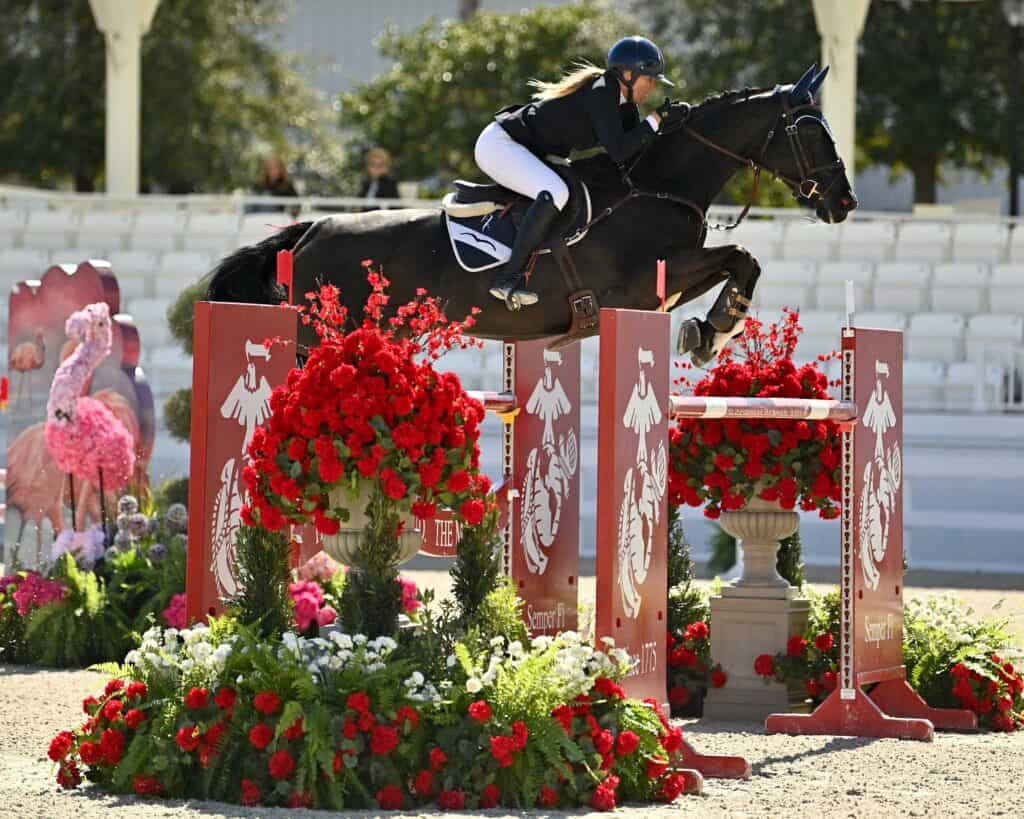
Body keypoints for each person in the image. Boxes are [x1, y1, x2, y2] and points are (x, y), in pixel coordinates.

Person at [475, 36, 689, 308]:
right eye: (650, 79)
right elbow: (619, 150)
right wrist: (656, 120)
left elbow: (634, 155)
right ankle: (509, 278)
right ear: (627, 74)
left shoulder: (624, 105)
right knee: (555, 192)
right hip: (501, 144)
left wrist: (670, 128)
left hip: (532, 151)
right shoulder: (602, 91)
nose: (653, 87)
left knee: (567, 189)